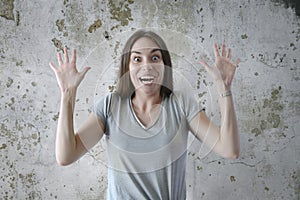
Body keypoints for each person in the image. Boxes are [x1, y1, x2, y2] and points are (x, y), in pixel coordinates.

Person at [49, 30, 240, 200]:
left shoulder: (181, 104)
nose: (147, 66)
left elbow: (229, 149)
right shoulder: (110, 106)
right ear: (127, 67)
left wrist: (224, 89)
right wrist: (68, 93)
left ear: (165, 65)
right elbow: (66, 156)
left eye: (155, 58)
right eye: (137, 59)